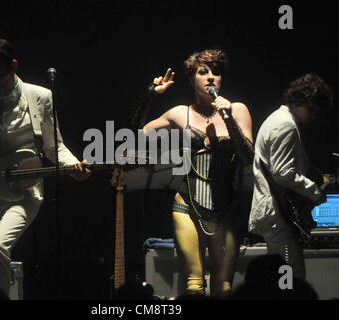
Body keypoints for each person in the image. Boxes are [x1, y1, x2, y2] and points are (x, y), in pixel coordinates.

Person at [0, 38, 90, 297]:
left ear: (14, 65)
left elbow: (53, 146)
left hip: (25, 191)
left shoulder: (40, 97)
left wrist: (72, 166)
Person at [139, 47, 254, 297]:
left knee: (223, 287)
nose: (211, 77)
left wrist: (229, 119)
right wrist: (151, 94)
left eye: (216, 72)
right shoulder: (180, 113)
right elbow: (138, 134)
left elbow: (248, 157)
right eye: (203, 72)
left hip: (228, 207)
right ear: (191, 79)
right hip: (187, 205)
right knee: (194, 284)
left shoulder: (237, 109)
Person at [248, 73, 333, 279]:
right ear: (297, 100)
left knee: (285, 276)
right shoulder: (285, 124)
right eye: (311, 108)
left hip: (277, 213)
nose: (313, 116)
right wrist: (314, 192)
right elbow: (283, 173)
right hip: (278, 214)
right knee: (289, 278)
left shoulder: (279, 119)